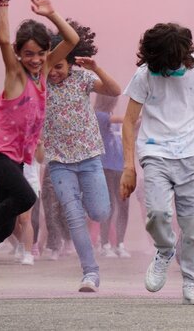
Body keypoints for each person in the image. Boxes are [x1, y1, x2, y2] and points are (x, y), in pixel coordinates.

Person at [0, 0, 80, 285]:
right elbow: (4, 40)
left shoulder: (44, 70)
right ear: (19, 53)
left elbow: (71, 40)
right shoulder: (15, 73)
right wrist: (3, 1)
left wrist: (51, 14)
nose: (35, 59)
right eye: (28, 53)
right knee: (26, 197)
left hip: (17, 157)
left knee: (5, 225)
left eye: (41, 53)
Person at [119, 22, 194, 306]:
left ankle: (192, 282)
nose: (170, 69)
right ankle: (165, 249)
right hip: (156, 152)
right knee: (157, 213)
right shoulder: (145, 74)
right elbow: (129, 122)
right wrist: (129, 167)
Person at [42, 20, 123, 293]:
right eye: (50, 67)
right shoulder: (41, 85)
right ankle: (90, 272)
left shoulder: (82, 79)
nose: (54, 72)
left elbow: (115, 90)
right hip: (59, 162)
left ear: (70, 64)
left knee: (99, 212)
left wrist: (96, 68)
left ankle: (90, 202)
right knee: (73, 215)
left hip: (89, 158)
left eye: (59, 67)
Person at [95, 95, 130, 258]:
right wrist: (139, 115)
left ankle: (120, 244)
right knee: (108, 205)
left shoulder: (112, 117)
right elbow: (124, 119)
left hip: (120, 167)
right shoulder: (98, 115)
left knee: (123, 205)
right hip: (105, 166)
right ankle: (105, 244)